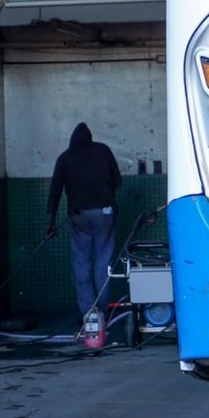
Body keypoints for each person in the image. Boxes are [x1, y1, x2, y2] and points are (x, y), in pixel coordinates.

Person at [45, 122, 123, 318]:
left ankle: (89, 314)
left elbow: (54, 192)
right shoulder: (103, 151)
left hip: (79, 216)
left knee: (82, 263)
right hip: (105, 213)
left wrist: (51, 222)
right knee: (103, 262)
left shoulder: (65, 157)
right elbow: (118, 181)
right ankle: (102, 312)